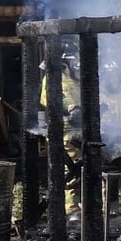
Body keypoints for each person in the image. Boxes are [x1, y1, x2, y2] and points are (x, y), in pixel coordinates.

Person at [40, 52, 83, 214]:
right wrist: (72, 107)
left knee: (82, 167)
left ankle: (82, 205)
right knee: (70, 168)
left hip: (80, 130)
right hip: (65, 130)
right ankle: (71, 209)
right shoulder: (54, 77)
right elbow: (51, 97)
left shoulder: (74, 79)